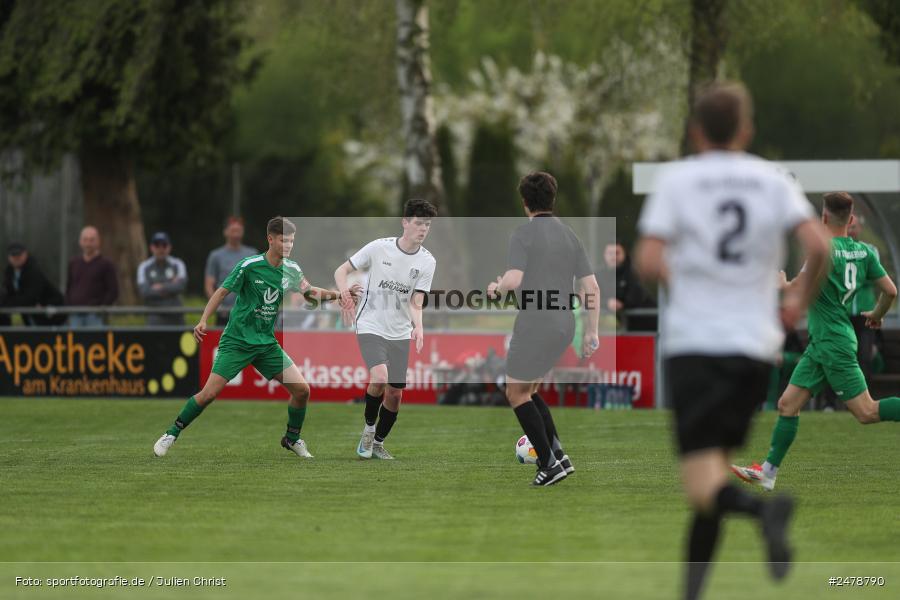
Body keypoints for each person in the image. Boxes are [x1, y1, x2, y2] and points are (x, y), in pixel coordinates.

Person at [634, 82, 830, 600]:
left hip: (697, 343)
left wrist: (693, 284)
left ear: (696, 131)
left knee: (703, 484)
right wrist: (796, 304)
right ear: (746, 130)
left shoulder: (678, 180)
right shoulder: (773, 180)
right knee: (710, 479)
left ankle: (767, 511)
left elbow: (649, 261)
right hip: (753, 345)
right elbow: (818, 244)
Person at [731, 192, 900, 490]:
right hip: (824, 342)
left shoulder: (822, 252)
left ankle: (768, 471)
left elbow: (794, 290)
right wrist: (876, 314)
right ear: (850, 220)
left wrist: (781, 284)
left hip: (832, 344)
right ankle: (767, 472)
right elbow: (891, 291)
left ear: (823, 218)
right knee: (787, 403)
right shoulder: (865, 253)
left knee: (867, 412)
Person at [153, 217, 347, 459]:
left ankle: (292, 439)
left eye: (292, 241)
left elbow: (310, 294)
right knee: (208, 394)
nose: (288, 245)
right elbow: (221, 292)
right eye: (284, 240)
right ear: (271, 239)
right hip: (237, 341)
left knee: (302, 390)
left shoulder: (293, 269)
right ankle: (171, 433)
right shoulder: (249, 265)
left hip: (266, 344)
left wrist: (338, 295)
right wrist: (203, 320)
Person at [487, 172, 601, 486]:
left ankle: (549, 464)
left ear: (525, 202)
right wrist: (592, 331)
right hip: (565, 323)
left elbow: (514, 280)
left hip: (535, 321)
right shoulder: (570, 235)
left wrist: (497, 288)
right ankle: (559, 457)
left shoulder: (523, 234)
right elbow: (591, 286)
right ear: (553, 199)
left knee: (515, 392)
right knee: (530, 390)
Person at [334, 199, 438, 460]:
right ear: (405, 223)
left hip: (400, 331)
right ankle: (368, 430)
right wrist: (344, 292)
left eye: (427, 224)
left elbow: (417, 300)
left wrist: (419, 327)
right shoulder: (379, 248)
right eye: (418, 223)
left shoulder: (428, 261)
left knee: (395, 394)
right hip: (370, 323)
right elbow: (342, 270)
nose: (423, 228)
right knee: (379, 378)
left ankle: (378, 442)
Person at [205, 216, 258, 327]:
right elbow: (209, 284)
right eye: (233, 231)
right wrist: (217, 306)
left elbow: (257, 281)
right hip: (224, 313)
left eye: (238, 231)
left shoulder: (252, 254)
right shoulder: (216, 256)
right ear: (225, 232)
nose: (236, 234)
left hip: (246, 312)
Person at [65, 226, 118, 327]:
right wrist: (69, 306)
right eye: (85, 240)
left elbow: (113, 291)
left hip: (95, 317)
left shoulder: (106, 264)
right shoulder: (73, 263)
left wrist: (101, 309)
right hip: (75, 315)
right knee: (75, 342)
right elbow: (69, 287)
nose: (88, 244)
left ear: (98, 242)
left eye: (91, 240)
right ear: (80, 242)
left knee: (96, 342)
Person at [2, 242, 65, 326]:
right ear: (9, 257)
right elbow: (8, 293)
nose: (16, 258)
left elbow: (30, 298)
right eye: (13, 255)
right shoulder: (9, 272)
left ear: (25, 254)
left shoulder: (34, 270)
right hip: (31, 315)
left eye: (19, 255)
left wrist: (9, 303)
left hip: (50, 314)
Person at [597, 242, 655, 330]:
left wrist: (621, 304)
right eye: (610, 253)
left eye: (617, 253)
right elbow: (587, 298)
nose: (613, 257)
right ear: (604, 255)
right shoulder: (597, 275)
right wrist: (606, 303)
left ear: (625, 254)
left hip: (642, 328)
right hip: (610, 332)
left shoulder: (635, 273)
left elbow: (637, 296)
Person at [137, 232, 188, 326]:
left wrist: (159, 286)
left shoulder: (178, 264)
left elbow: (180, 286)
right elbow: (145, 291)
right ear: (151, 247)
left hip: (176, 319)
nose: (161, 249)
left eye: (164, 245)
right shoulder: (144, 267)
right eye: (157, 245)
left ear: (169, 247)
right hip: (154, 319)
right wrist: (170, 285)